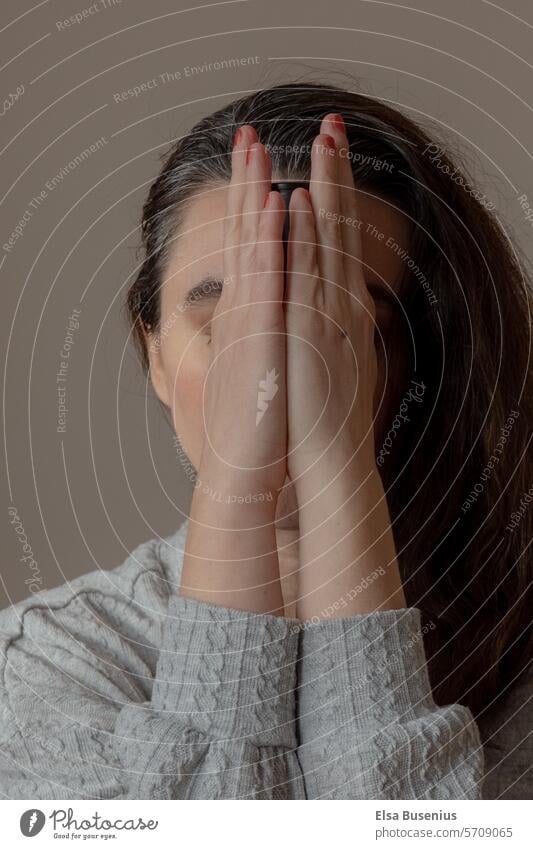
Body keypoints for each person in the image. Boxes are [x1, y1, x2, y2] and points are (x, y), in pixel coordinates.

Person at [0, 83, 531, 799]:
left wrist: (339, 474)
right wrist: (238, 488)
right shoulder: (52, 667)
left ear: (430, 360)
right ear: (153, 353)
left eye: (335, 327)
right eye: (229, 324)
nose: (273, 375)